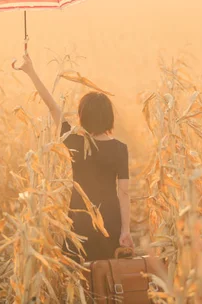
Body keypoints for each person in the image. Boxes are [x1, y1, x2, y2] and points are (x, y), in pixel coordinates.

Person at [17, 53, 134, 262]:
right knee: (107, 276)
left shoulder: (74, 142)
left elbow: (53, 107)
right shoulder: (120, 149)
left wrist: (31, 72)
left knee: (80, 275)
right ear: (110, 117)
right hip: (110, 220)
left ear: (83, 117)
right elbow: (124, 192)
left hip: (79, 219)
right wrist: (125, 230)